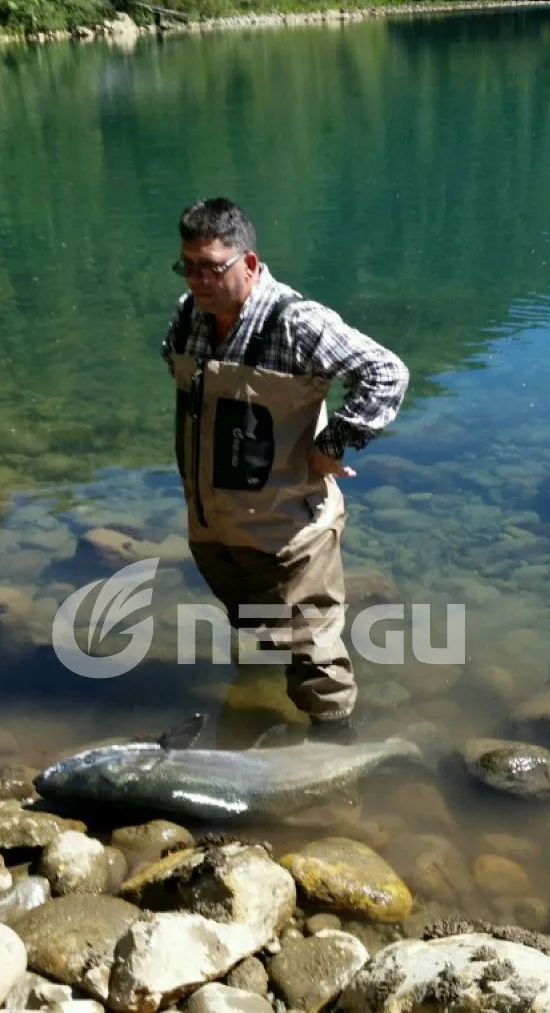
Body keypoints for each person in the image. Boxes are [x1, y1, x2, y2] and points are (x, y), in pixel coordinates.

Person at [161, 197, 409, 742]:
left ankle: (337, 749)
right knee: (255, 625)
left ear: (248, 263)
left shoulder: (294, 322)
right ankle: (262, 690)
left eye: (212, 267)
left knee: (314, 654)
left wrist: (336, 441)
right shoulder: (188, 315)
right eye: (189, 266)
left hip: (288, 528)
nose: (199, 279)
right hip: (213, 523)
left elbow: (386, 373)